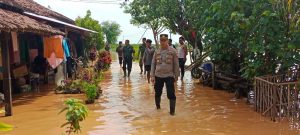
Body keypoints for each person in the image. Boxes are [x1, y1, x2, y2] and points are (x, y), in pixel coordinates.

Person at [150, 34, 179, 116]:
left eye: (164, 40)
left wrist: (176, 76)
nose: (162, 42)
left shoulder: (173, 51)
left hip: (169, 75)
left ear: (167, 41)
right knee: (157, 92)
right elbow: (153, 64)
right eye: (161, 40)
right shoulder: (157, 51)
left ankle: (172, 113)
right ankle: (158, 108)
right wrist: (152, 76)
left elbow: (176, 64)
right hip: (158, 75)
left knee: (171, 94)